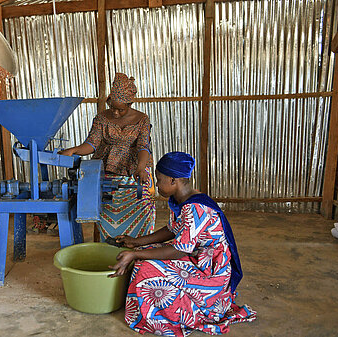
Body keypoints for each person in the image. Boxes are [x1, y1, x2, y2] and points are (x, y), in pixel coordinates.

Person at [109, 152, 257, 336]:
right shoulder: (181, 200)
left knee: (146, 269)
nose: (156, 184)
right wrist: (136, 243)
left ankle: (164, 317)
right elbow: (171, 230)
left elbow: (179, 250)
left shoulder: (195, 207)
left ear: (173, 181)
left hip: (210, 269)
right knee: (143, 252)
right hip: (197, 255)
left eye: (159, 179)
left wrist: (135, 254)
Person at [60, 73, 155, 240]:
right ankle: (108, 247)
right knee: (104, 207)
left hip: (135, 172)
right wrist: (73, 150)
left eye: (121, 109)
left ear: (130, 103)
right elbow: (92, 144)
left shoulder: (142, 119)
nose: (116, 113)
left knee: (144, 204)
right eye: (113, 107)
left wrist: (141, 169)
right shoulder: (102, 118)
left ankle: (138, 246)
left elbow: (143, 146)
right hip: (106, 172)